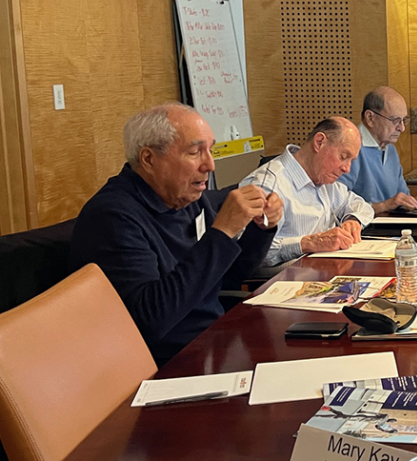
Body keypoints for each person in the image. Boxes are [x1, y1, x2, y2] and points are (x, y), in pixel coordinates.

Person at [69, 103, 283, 365]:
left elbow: (227, 278)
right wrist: (222, 231)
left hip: (212, 343)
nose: (210, 165)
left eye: (210, 150)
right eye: (194, 152)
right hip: (166, 361)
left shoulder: (187, 198)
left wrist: (261, 229)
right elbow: (151, 320)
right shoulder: (113, 217)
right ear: (149, 159)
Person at [241, 117, 375, 267]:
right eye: (343, 157)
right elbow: (248, 254)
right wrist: (307, 243)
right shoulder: (268, 185)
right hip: (285, 277)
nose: (347, 169)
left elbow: (361, 206)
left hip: (325, 270)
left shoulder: (326, 181)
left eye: (351, 161)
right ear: (319, 142)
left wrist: (352, 220)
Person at [339, 87, 417, 214]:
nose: (402, 128)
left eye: (404, 120)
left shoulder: (391, 149)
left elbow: (403, 199)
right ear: (370, 118)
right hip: (363, 225)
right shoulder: (348, 149)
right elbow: (337, 207)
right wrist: (383, 206)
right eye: (395, 120)